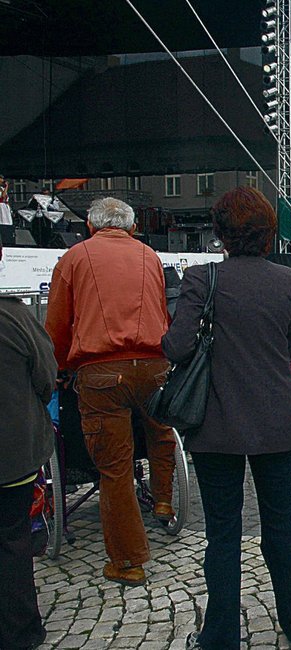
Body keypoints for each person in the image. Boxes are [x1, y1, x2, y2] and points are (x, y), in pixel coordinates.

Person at [163, 187, 291, 650]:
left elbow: (178, 346)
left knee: (223, 534)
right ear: (267, 232)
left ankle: (221, 636)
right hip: (275, 419)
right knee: (282, 524)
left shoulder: (201, 278)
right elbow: (290, 343)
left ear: (220, 232)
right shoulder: (287, 281)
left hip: (218, 424)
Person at [44, 197, 176, 587]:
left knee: (114, 469)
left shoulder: (74, 258)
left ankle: (128, 560)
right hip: (153, 365)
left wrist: (60, 368)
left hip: (101, 372)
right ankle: (164, 497)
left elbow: (56, 325)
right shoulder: (150, 256)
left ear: (89, 225)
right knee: (160, 430)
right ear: (133, 228)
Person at [0, 241, 56, 650]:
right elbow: (45, 377)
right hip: (11, 454)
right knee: (13, 541)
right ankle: (20, 631)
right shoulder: (13, 317)